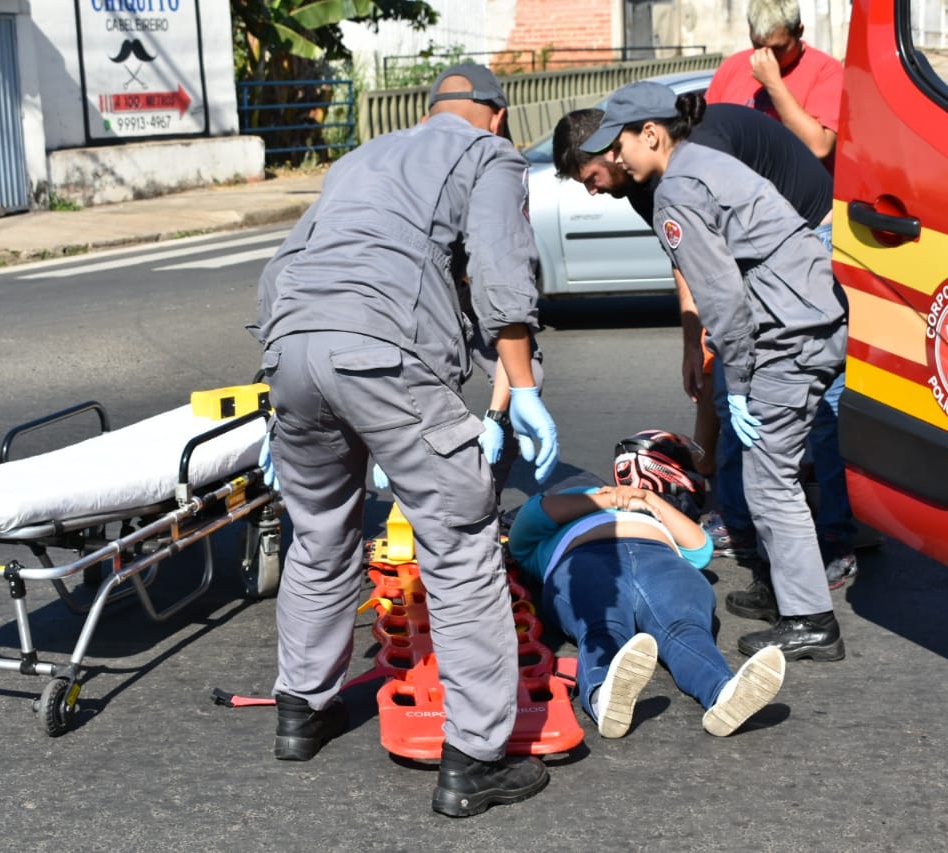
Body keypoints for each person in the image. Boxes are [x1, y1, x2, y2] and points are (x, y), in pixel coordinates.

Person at [251, 62, 560, 819]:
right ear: (497, 113)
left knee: (319, 532)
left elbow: (286, 265)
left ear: (429, 111)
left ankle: (303, 710)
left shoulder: (361, 158)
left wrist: (280, 386)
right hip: (381, 355)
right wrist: (522, 387)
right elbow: (500, 270)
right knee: (458, 540)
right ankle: (476, 759)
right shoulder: (489, 153)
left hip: (290, 350)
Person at [580, 81, 848, 661]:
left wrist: (742, 384)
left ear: (652, 133)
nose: (616, 159)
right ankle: (784, 592)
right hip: (812, 314)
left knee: (770, 479)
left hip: (787, 333)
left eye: (620, 145)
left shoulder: (676, 191)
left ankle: (810, 620)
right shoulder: (705, 162)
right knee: (773, 469)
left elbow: (721, 297)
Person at [506, 430, 786, 738]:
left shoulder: (651, 509)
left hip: (661, 561)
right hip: (587, 560)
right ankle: (604, 697)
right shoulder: (571, 510)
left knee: (686, 630)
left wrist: (650, 500)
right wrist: (606, 498)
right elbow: (532, 517)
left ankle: (724, 694)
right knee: (602, 630)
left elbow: (701, 547)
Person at [705, 0, 843, 169]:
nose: (766, 56)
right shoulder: (731, 67)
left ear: (799, 32)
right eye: (758, 45)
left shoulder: (827, 71)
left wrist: (773, 83)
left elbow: (819, 147)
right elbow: (705, 133)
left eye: (778, 48)